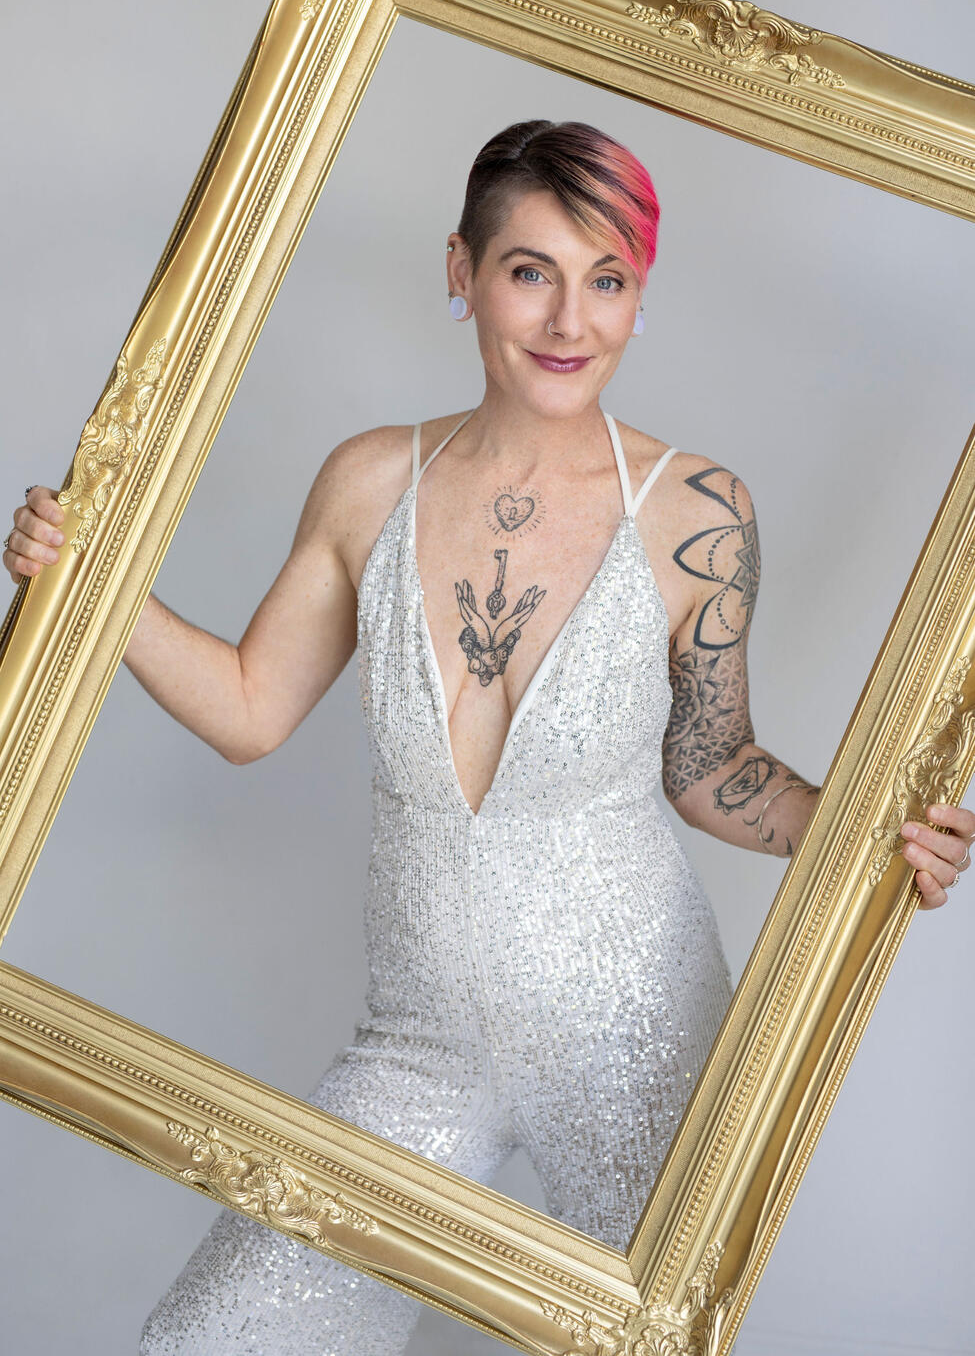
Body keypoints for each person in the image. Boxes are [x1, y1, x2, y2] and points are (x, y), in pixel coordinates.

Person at [5, 119, 972, 1354]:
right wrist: (87, 589)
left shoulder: (696, 511)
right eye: (531, 271)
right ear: (461, 270)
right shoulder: (368, 482)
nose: (571, 320)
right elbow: (251, 707)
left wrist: (873, 833)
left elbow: (711, 767)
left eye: (607, 280)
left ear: (638, 297)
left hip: (640, 1037)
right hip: (420, 1045)